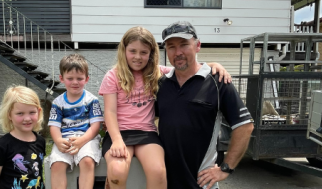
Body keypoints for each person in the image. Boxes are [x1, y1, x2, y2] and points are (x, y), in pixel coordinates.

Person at [99, 26, 231, 189]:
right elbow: (110, 112)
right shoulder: (113, 76)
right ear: (124, 50)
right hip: (119, 133)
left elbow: (189, 69)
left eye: (144, 52)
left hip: (146, 132)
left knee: (159, 171)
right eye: (133, 51)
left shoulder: (157, 72)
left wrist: (213, 64)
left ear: (151, 53)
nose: (138, 57)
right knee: (117, 171)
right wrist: (117, 140)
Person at [156, 21, 254, 189]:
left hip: (200, 183)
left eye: (184, 45)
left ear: (198, 45)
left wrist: (226, 168)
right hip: (165, 182)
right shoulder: (161, 84)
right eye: (171, 47)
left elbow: (245, 126)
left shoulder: (218, 82)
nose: (178, 52)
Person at [48, 54, 104, 189]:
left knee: (87, 161)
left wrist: (82, 140)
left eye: (80, 78)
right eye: (70, 78)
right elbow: (54, 126)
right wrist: (58, 141)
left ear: (87, 79)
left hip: (87, 138)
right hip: (65, 139)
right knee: (57, 164)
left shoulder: (91, 100)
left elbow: (96, 125)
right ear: (61, 78)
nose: (75, 82)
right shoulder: (58, 102)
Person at [0, 86, 46, 189]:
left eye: (32, 112)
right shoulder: (1, 146)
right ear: (9, 115)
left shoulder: (40, 141)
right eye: (20, 113)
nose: (27, 118)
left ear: (39, 112)